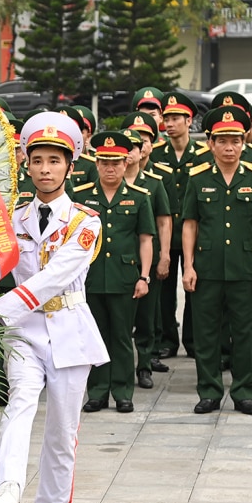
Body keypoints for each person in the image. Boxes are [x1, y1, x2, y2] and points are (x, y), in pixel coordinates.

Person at [0, 111, 108, 503]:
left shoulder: (85, 222)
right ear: (26, 163)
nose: (44, 169)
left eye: (54, 161)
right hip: (24, 333)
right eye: (36, 160)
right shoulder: (13, 219)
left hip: (70, 331)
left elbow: (52, 280)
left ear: (70, 167)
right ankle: (10, 482)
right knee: (20, 401)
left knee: (62, 436)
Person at [181, 106, 252, 416]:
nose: (229, 147)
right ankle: (209, 391)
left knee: (244, 333)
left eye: (235, 140)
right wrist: (189, 266)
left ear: (244, 141)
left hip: (244, 268)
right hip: (206, 268)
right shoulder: (197, 178)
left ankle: (244, 392)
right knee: (206, 333)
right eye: (222, 141)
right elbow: (190, 223)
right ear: (210, 143)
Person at [75, 131, 154, 413]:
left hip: (124, 278)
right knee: (94, 336)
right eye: (105, 162)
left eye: (116, 162)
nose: (110, 168)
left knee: (121, 337)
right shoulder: (81, 197)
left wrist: (144, 276)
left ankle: (122, 391)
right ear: (96, 164)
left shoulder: (139, 198)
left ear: (125, 164)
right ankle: (97, 392)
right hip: (91, 279)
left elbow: (145, 239)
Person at [150, 92, 204, 359]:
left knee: (195, 287)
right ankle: (167, 339)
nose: (169, 124)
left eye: (175, 118)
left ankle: (193, 341)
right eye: (166, 118)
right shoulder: (157, 153)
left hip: (196, 233)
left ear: (189, 120)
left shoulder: (204, 154)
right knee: (164, 290)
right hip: (166, 235)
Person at [120, 117, 172, 387]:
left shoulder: (153, 183)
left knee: (147, 316)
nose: (129, 153)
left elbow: (164, 220)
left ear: (143, 151)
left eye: (134, 147)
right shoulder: (107, 180)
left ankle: (145, 365)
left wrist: (164, 256)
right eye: (125, 147)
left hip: (146, 261)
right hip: (118, 261)